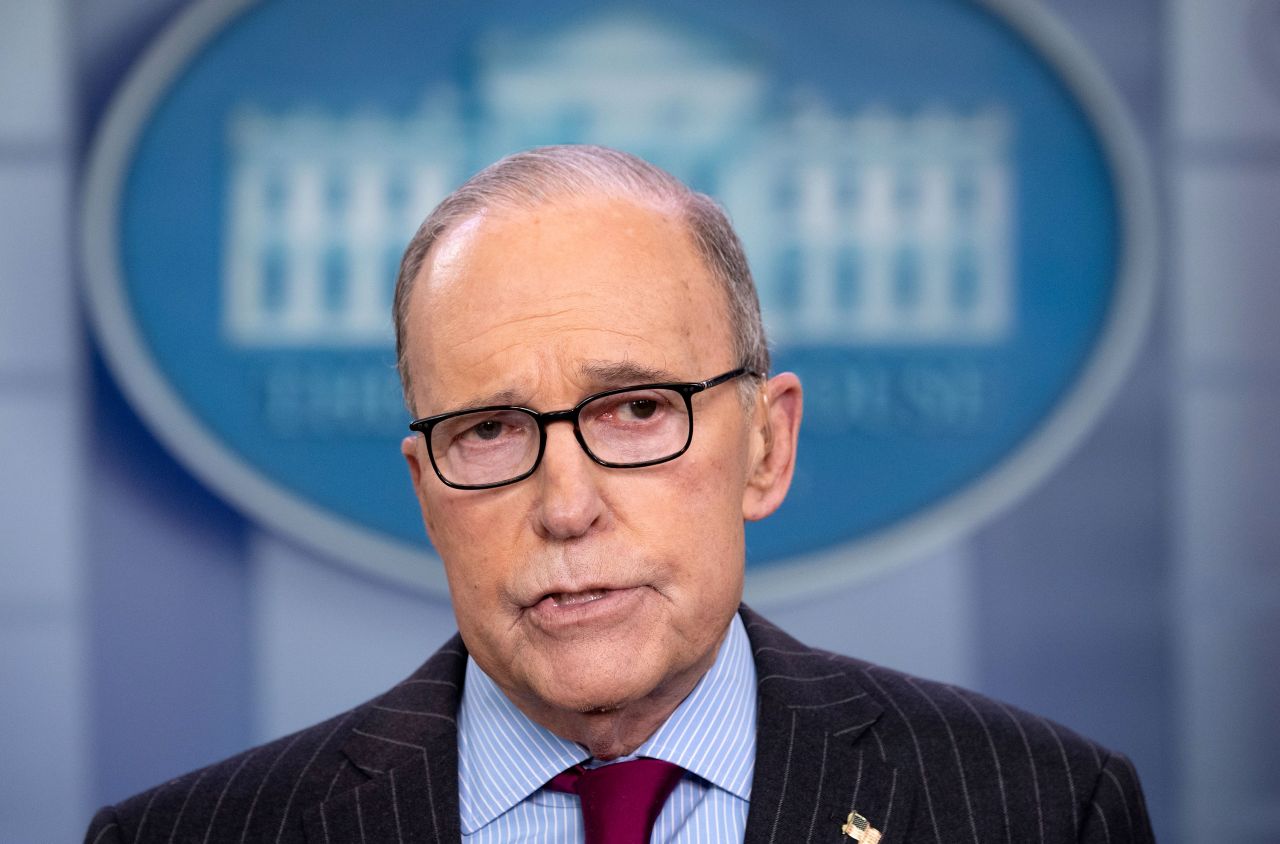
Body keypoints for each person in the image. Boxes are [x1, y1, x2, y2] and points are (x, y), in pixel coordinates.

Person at [86, 145, 1154, 843]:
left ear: (765, 447)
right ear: (426, 490)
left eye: (636, 410)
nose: (564, 505)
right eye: (491, 428)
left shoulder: (1041, 808)